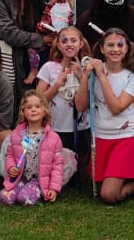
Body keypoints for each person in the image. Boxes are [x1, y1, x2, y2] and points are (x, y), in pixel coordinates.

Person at [76, 27, 134, 204]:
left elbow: (116, 108)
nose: (115, 49)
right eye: (110, 45)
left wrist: (102, 77)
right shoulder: (95, 72)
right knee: (102, 184)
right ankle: (126, 176)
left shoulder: (132, 76)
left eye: (120, 45)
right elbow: (80, 105)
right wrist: (86, 77)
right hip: (101, 137)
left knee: (108, 195)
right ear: (102, 49)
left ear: (127, 48)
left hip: (124, 138)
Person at [36, 24, 92, 182]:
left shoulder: (87, 68)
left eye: (73, 40)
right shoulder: (49, 68)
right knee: (57, 162)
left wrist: (82, 77)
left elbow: (90, 101)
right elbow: (38, 100)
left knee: (81, 168)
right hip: (57, 126)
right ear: (58, 45)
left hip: (81, 126)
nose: (69, 44)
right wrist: (56, 86)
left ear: (81, 44)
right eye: (64, 41)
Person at [0, 92, 66, 206]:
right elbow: (9, 155)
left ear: (44, 111)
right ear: (23, 112)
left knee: (23, 199)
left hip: (39, 180)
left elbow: (57, 166)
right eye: (29, 107)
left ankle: (31, 191)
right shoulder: (17, 134)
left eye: (37, 106)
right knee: (4, 198)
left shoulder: (53, 138)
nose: (33, 110)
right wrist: (11, 167)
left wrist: (54, 188)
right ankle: (22, 188)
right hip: (20, 178)